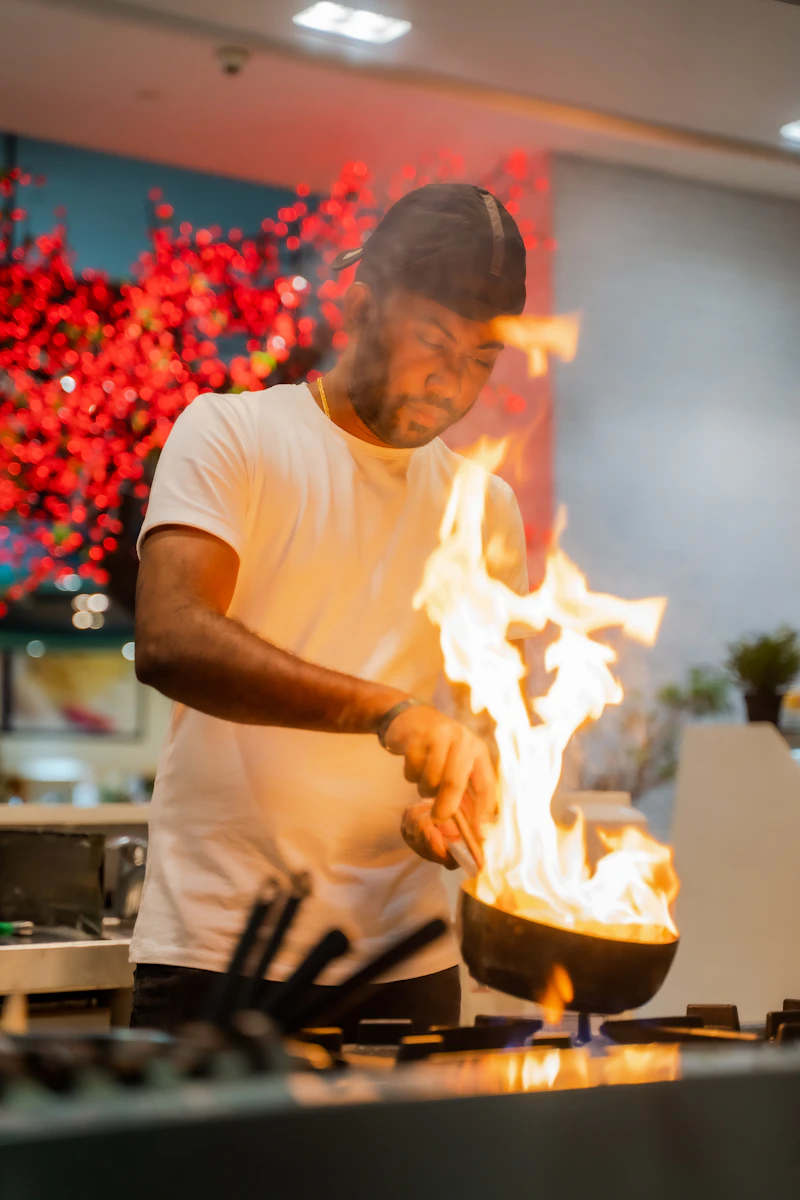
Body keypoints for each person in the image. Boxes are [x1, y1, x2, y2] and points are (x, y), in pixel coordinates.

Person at [130, 182, 529, 1036]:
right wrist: (388, 713)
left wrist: (457, 807)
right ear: (360, 305)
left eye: (480, 362)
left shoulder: (484, 506)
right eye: (433, 342)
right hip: (220, 956)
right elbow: (170, 639)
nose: (452, 383)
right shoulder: (232, 435)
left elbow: (485, 729)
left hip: (407, 966)